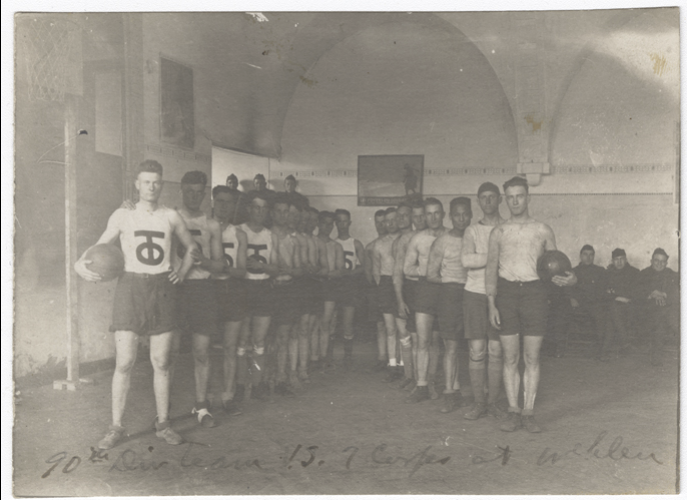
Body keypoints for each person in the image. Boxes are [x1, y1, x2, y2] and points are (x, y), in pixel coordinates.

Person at [75, 160, 197, 450]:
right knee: (125, 361)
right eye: (145, 182)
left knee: (161, 362)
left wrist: (181, 272)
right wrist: (79, 263)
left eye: (156, 182)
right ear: (137, 184)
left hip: (162, 289)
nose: (151, 187)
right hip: (130, 287)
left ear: (162, 184)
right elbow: (99, 247)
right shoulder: (122, 215)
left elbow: (192, 247)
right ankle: (116, 427)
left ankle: (163, 424)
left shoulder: (171, 216)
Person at [486, 176, 576, 433]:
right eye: (511, 197)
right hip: (507, 294)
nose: (515, 201)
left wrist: (570, 279)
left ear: (528, 197)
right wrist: (492, 304)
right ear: (506, 199)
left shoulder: (543, 230)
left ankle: (528, 412)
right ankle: (513, 411)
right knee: (511, 357)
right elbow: (491, 270)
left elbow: (557, 266)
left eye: (520, 196)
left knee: (532, 357)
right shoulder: (498, 232)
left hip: (536, 294)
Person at [173, 171, 225, 428]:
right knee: (168, 352)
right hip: (175, 288)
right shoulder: (170, 217)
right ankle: (164, 411)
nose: (194, 196)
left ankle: (201, 405)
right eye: (189, 191)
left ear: (204, 194)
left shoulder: (212, 224)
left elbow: (220, 265)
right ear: (181, 190)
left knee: (201, 350)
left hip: (202, 290)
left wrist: (204, 261)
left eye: (199, 192)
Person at [461, 182, 507, 420]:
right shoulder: (472, 231)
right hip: (475, 293)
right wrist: (495, 255)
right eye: (483, 198)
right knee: (477, 350)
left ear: (500, 200)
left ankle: (494, 402)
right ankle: (479, 403)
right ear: (478, 201)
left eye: (492, 197)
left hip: (502, 294)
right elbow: (467, 260)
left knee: (497, 350)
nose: (488, 202)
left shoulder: (508, 227)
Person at [426, 197, 472, 413]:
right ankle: (449, 393)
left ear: (471, 215)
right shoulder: (442, 241)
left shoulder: (477, 238)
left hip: (473, 294)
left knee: (475, 346)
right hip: (450, 296)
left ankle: (476, 394)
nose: (461, 218)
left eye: (465, 214)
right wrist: (452, 281)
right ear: (450, 216)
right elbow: (431, 275)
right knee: (451, 347)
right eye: (457, 214)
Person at [403, 198, 448, 402]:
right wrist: (427, 270)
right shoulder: (418, 239)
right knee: (423, 340)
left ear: (443, 214)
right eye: (428, 214)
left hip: (446, 291)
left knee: (438, 340)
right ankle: (421, 385)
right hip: (424, 290)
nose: (432, 217)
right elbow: (407, 268)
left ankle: (431, 382)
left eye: (436, 213)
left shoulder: (452, 236)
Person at [239, 191, 280, 401]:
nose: (260, 212)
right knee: (242, 339)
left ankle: (256, 384)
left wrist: (261, 265)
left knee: (259, 340)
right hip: (243, 287)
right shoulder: (239, 231)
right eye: (256, 207)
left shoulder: (270, 235)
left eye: (264, 209)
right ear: (249, 209)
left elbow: (275, 268)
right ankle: (238, 385)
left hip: (263, 287)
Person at [212, 185, 248, 415]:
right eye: (221, 201)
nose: (225, 206)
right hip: (209, 289)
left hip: (232, 290)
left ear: (234, 206)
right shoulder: (204, 228)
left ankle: (228, 395)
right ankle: (207, 395)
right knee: (206, 346)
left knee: (230, 346)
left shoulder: (239, 234)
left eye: (229, 202)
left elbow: (241, 270)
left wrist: (222, 268)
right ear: (214, 202)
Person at [270, 193, 304, 396]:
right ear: (273, 213)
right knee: (265, 337)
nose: (283, 216)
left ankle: (281, 378)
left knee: (283, 336)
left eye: (287, 212)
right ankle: (264, 379)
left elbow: (299, 270)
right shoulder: (266, 235)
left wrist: (282, 269)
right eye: (279, 212)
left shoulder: (294, 240)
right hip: (268, 290)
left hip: (288, 289)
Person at [391, 201, 423, 390]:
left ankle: (423, 378)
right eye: (399, 216)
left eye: (406, 215)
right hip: (406, 289)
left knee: (422, 337)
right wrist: (400, 299)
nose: (402, 219)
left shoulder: (426, 235)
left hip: (424, 289)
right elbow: (397, 273)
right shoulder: (401, 241)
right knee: (404, 334)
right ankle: (409, 375)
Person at [372, 208, 402, 382]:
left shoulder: (406, 239)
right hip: (386, 285)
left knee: (403, 329)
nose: (390, 224)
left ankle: (404, 364)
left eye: (393, 220)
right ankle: (392, 365)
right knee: (390, 328)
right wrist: (384, 289)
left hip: (402, 285)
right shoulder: (379, 244)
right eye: (387, 221)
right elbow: (376, 273)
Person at [334, 209, 366, 369]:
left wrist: (351, 273)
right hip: (334, 285)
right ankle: (326, 356)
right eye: (339, 221)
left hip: (349, 286)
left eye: (345, 221)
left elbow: (365, 266)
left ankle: (348, 356)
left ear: (350, 222)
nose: (342, 224)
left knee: (348, 322)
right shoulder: (332, 242)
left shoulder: (355, 243)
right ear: (335, 223)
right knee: (331, 321)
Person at [635, 248, 679, 366]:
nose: (659, 264)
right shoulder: (643, 274)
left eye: (663, 261)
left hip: (666, 314)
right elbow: (636, 294)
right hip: (647, 314)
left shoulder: (672, 274)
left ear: (667, 263)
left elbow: (679, 292)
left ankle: (656, 359)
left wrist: (664, 294)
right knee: (661, 317)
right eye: (656, 261)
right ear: (651, 261)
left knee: (664, 317)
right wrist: (651, 294)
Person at [313, 211, 345, 370]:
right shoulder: (310, 241)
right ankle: (312, 357)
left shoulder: (336, 246)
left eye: (330, 224)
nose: (327, 227)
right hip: (311, 285)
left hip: (329, 286)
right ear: (318, 223)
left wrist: (325, 273)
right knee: (311, 323)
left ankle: (323, 358)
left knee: (326, 323)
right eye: (324, 223)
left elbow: (340, 271)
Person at [569, 245, 611, 361]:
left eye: (591, 255)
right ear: (580, 256)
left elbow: (602, 289)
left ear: (594, 256)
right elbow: (568, 289)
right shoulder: (573, 272)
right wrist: (572, 298)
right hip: (579, 304)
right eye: (585, 254)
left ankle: (602, 350)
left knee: (603, 314)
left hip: (595, 303)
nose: (588, 257)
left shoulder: (600, 271)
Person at [365, 209, 389, 370]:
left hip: (391, 287)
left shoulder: (395, 242)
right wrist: (377, 289)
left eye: (383, 222)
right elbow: (368, 272)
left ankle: (397, 361)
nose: (380, 226)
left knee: (396, 326)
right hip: (377, 289)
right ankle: (382, 358)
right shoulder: (370, 246)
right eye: (377, 222)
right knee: (380, 324)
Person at [605, 248, 640, 357]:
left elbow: (635, 292)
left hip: (630, 306)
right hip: (614, 305)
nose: (619, 262)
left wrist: (614, 294)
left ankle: (605, 351)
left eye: (622, 259)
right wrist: (618, 297)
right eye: (616, 259)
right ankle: (625, 344)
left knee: (612, 312)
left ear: (626, 260)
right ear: (612, 261)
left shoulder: (634, 272)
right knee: (613, 309)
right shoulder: (607, 274)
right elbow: (603, 292)